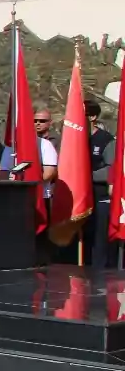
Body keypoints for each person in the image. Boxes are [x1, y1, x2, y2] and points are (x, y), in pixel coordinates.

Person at [86, 100, 114, 266]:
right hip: (78, 196)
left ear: (93, 117)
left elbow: (111, 170)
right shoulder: (71, 140)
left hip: (99, 196)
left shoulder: (106, 140)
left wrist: (87, 176)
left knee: (99, 239)